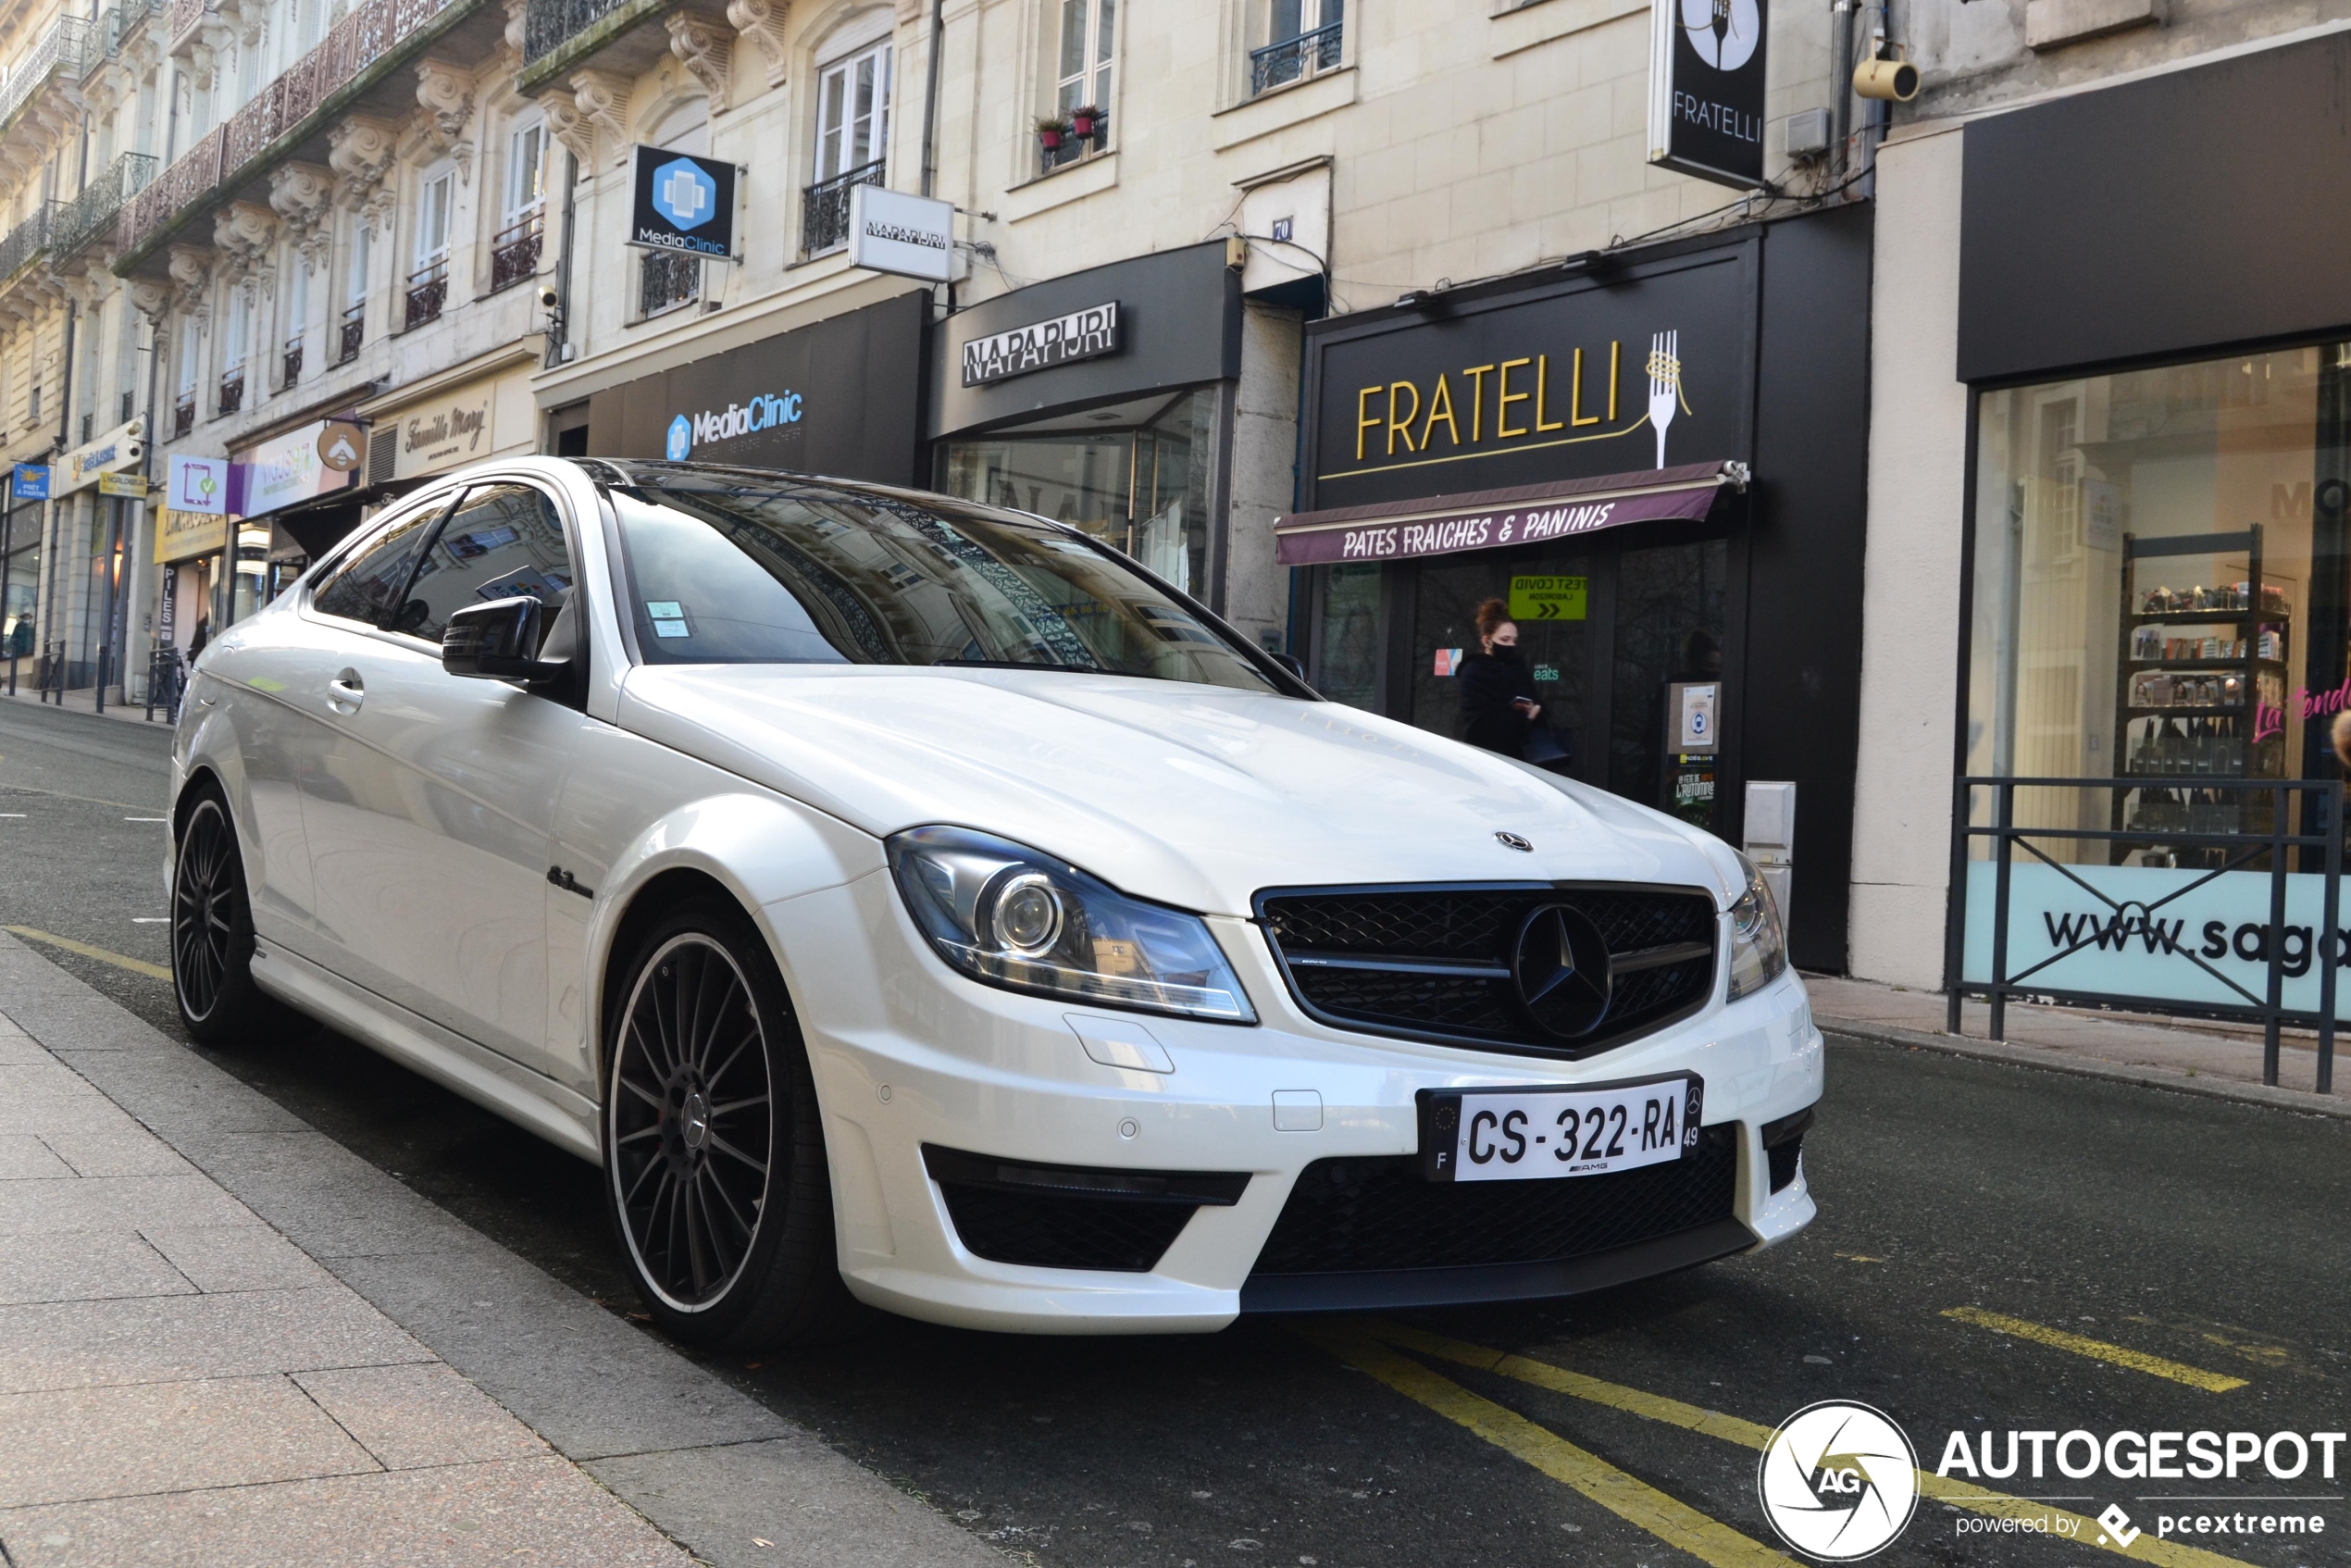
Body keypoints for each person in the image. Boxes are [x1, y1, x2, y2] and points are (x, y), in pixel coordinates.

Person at [1457, 598, 1541, 758]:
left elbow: (1535, 700)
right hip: (1486, 758)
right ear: (1487, 640)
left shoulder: (1517, 667)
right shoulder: (1474, 672)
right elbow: (1481, 724)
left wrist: (1533, 710)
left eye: (1514, 640)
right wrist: (1524, 719)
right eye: (1504, 639)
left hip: (1519, 757)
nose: (1511, 645)